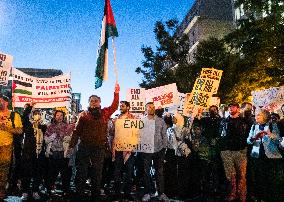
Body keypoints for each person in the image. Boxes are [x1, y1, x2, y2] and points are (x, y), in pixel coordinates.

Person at [68, 83, 120, 200]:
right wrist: (71, 145)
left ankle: (95, 195)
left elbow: (115, 106)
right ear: (89, 103)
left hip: (99, 148)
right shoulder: (84, 115)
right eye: (92, 101)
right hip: (84, 147)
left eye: (96, 100)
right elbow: (77, 131)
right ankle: (80, 194)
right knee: (82, 172)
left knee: (97, 173)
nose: (94, 102)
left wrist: (116, 93)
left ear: (100, 102)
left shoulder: (105, 113)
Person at [247, 109, 282, 201]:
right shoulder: (254, 126)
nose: (256, 117)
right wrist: (255, 137)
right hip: (257, 155)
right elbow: (248, 140)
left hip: (270, 155)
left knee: (269, 178)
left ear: (265, 116)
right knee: (258, 177)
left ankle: (268, 197)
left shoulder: (272, 125)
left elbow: (278, 140)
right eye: (255, 115)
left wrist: (270, 134)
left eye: (258, 115)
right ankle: (259, 197)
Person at [219, 103, 249, 202]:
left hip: (240, 151)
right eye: (230, 107)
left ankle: (242, 194)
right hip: (227, 151)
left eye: (233, 107)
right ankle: (232, 193)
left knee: (241, 174)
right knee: (231, 174)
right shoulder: (224, 121)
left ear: (238, 109)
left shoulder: (244, 121)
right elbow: (221, 135)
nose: (231, 108)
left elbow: (248, 136)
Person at [141, 102, 169, 202]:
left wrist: (164, 148)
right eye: (149, 107)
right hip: (146, 151)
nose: (152, 109)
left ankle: (161, 193)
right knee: (146, 172)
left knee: (159, 172)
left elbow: (164, 135)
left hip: (159, 150)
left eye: (153, 107)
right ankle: (147, 193)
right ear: (146, 109)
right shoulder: (141, 121)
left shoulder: (161, 121)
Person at [44, 110, 73, 197]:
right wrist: (52, 136)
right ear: (54, 116)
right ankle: (49, 189)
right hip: (53, 153)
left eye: (61, 115)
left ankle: (65, 190)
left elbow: (71, 138)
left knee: (66, 174)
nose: (59, 117)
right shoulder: (50, 126)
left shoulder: (68, 127)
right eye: (57, 115)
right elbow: (46, 139)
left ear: (63, 117)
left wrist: (65, 137)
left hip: (64, 153)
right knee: (52, 173)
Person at [0, 94, 23, 200]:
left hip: (6, 146)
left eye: (1, 101)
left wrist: (6, 128)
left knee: (3, 170)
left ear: (6, 102)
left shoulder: (14, 115)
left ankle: (1, 191)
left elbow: (19, 130)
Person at [112, 101, 136, 201]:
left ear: (128, 107)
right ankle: (117, 193)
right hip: (118, 149)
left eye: (123, 106)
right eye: (120, 106)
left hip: (129, 149)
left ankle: (127, 193)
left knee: (129, 173)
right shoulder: (116, 119)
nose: (120, 107)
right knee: (117, 173)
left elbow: (136, 133)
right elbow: (112, 133)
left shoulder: (133, 119)